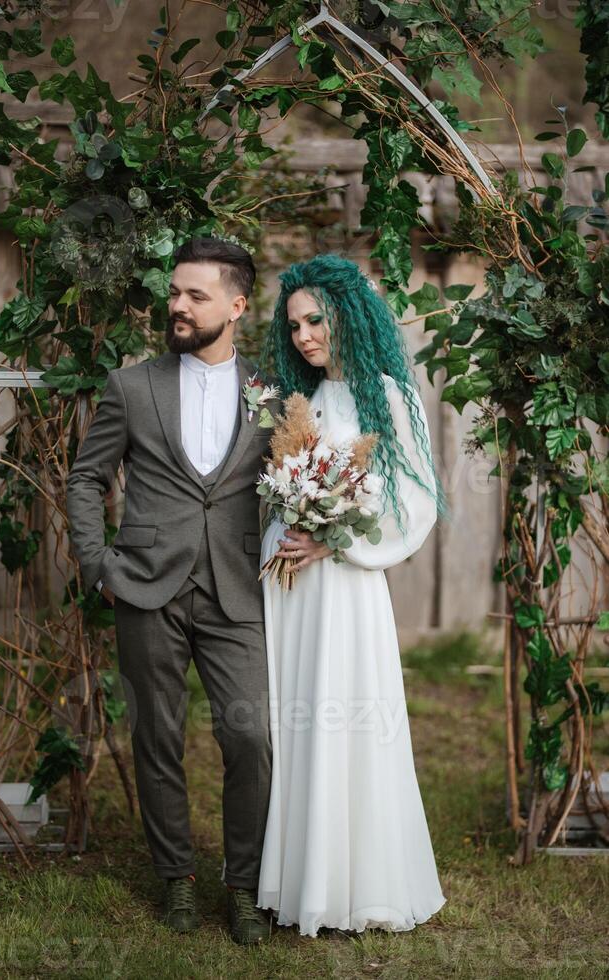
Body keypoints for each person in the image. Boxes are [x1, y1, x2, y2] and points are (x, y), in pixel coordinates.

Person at [66, 236, 281, 945]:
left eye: (196, 295)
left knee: (250, 737)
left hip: (236, 592)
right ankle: (178, 879)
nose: (178, 305)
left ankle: (244, 888)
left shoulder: (272, 393)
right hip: (146, 588)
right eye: (176, 292)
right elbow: (86, 478)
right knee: (157, 737)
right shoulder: (133, 386)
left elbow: (293, 481)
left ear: (237, 305)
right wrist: (98, 563)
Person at [255, 254, 449, 937]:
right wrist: (288, 522)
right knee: (296, 720)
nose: (305, 334)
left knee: (345, 718)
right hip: (294, 590)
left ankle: (354, 882)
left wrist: (332, 541)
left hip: (345, 587)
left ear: (348, 316)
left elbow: (416, 502)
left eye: (316, 319)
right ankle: (297, 877)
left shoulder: (387, 396)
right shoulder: (296, 402)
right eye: (295, 325)